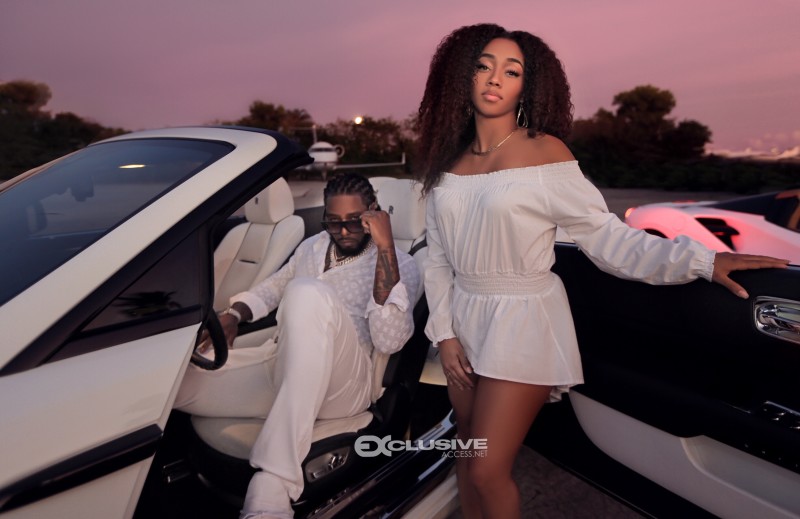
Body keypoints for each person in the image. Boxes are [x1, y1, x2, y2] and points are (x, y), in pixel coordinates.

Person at [414, 24, 790, 519]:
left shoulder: (545, 152)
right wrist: (444, 334)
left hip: (521, 321)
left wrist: (702, 259)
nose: (495, 78)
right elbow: (438, 257)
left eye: (512, 70)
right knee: (466, 449)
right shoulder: (448, 162)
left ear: (529, 85)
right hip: (460, 317)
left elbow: (608, 239)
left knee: (488, 469)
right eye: (483, 66)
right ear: (463, 74)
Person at [175, 173, 420, 519]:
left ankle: (273, 483)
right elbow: (275, 287)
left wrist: (385, 248)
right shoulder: (312, 246)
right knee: (179, 383)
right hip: (284, 364)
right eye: (333, 222)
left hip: (347, 386)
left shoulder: (400, 263)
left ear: (374, 213)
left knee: (307, 292)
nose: (344, 231)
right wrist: (234, 314)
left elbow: (390, 340)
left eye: (354, 221)